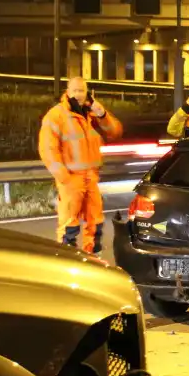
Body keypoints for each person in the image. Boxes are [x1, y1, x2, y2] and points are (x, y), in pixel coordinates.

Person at [38, 77, 122, 256]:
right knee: (69, 224)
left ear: (87, 92)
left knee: (96, 220)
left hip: (91, 177)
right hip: (71, 178)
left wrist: (102, 114)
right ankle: (67, 258)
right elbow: (48, 148)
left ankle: (92, 256)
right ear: (67, 92)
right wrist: (63, 177)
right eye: (75, 91)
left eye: (82, 90)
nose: (78, 94)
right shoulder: (56, 115)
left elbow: (115, 132)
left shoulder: (91, 113)